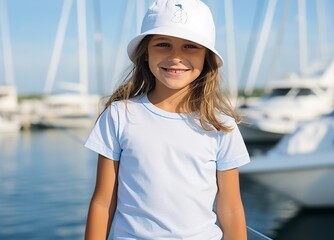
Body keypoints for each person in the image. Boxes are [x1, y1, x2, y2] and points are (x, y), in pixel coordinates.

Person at [84, 0, 250, 239]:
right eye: (163, 44)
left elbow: (231, 208)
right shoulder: (120, 115)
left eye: (190, 46)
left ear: (207, 57)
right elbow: (102, 202)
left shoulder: (221, 125)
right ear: (145, 52)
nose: (176, 57)